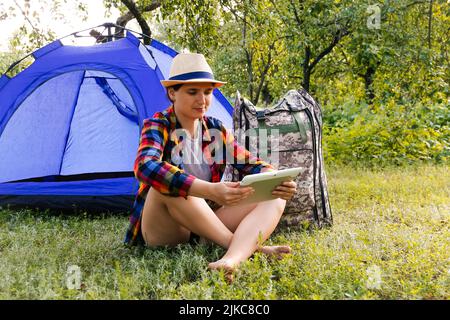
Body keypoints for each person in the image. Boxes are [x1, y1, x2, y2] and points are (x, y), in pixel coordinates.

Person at [124, 53, 297, 281]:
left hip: (205, 224)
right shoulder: (158, 125)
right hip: (166, 229)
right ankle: (255, 250)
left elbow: (250, 163)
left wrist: (274, 178)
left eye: (208, 92)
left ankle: (231, 260)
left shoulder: (215, 130)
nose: (202, 100)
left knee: (274, 196)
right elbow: (145, 166)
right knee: (169, 184)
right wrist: (210, 190)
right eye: (193, 92)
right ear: (172, 93)